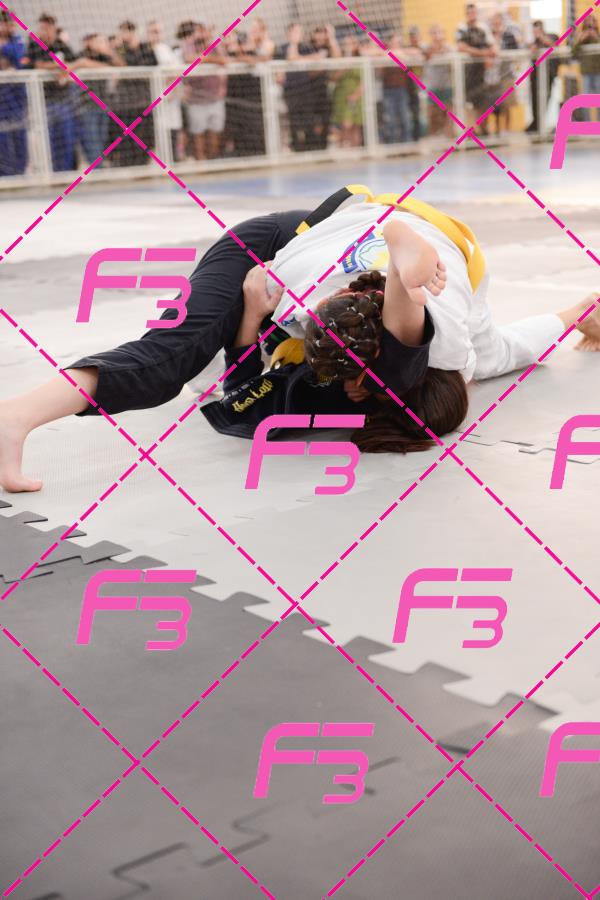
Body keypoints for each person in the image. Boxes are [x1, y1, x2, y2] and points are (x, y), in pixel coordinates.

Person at [2, 188, 600, 493]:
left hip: (304, 251)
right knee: (175, 354)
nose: (351, 392)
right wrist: (399, 248)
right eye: (364, 390)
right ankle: (18, 417)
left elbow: (515, 346)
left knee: (179, 357)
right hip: (308, 238)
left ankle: (15, 416)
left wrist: (577, 311)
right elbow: (480, 349)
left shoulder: (448, 350)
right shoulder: (455, 356)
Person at [27, 13, 78, 171]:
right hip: (44, 100)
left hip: (64, 98)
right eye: (42, 28)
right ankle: (52, 171)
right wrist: (58, 66)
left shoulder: (62, 45)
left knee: (66, 137)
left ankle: (66, 171)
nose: (45, 31)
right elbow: (37, 64)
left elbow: (72, 62)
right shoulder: (35, 45)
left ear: (54, 28)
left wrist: (65, 68)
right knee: (49, 138)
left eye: (48, 28)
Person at [108, 20, 157, 167]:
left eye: (127, 31)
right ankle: (127, 166)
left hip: (143, 101)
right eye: (122, 32)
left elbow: (150, 69)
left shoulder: (146, 48)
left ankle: (143, 165)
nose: (124, 35)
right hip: (125, 103)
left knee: (145, 137)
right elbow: (120, 66)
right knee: (126, 138)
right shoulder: (119, 50)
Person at [183, 27, 228, 160]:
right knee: (198, 133)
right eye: (199, 30)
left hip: (215, 98)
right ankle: (201, 163)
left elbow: (224, 60)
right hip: (196, 100)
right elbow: (189, 58)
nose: (202, 33)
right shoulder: (189, 44)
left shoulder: (214, 45)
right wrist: (210, 59)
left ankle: (212, 161)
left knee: (215, 132)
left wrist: (203, 58)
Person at [76, 33, 120, 165]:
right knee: (92, 138)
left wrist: (109, 51)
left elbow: (119, 65)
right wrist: (103, 67)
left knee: (102, 138)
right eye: (96, 41)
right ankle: (96, 168)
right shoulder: (82, 54)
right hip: (87, 104)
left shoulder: (104, 56)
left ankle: (99, 165)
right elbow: (82, 62)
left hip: (103, 103)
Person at [145, 20, 183, 160]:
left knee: (172, 129)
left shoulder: (165, 49)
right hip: (151, 100)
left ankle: (172, 159)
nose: (156, 35)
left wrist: (172, 88)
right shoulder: (144, 51)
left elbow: (176, 72)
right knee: (157, 131)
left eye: (158, 32)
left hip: (169, 98)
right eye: (153, 32)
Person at [456, 3, 497, 133]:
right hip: (467, 73)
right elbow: (462, 47)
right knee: (468, 103)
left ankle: (483, 130)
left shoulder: (483, 28)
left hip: (482, 73)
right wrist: (482, 53)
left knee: (483, 102)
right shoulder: (462, 28)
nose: (472, 15)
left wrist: (488, 53)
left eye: (474, 12)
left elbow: (492, 47)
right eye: (470, 13)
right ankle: (471, 130)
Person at [0, 9, 28, 176]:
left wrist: (3, 47)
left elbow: (19, 57)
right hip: (1, 97)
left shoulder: (16, 40)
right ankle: (4, 174)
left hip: (16, 96)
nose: (12, 27)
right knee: (2, 136)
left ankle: (20, 172)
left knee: (19, 134)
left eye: (13, 24)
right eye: (8, 24)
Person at [485, 11, 520, 135]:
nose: (496, 23)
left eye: (498, 20)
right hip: (491, 76)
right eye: (493, 21)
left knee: (507, 103)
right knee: (493, 104)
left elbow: (516, 52)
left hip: (507, 74)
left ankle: (506, 129)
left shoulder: (509, 36)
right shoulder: (487, 37)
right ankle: (496, 129)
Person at [379, 33, 414, 144]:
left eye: (399, 42)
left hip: (402, 89)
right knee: (390, 118)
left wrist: (399, 54)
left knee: (405, 117)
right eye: (395, 42)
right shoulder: (385, 54)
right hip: (388, 90)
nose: (397, 44)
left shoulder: (404, 53)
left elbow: (414, 53)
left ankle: (407, 142)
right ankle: (392, 143)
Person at [527, 19, 559, 133]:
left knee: (546, 98)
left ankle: (540, 124)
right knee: (534, 100)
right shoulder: (534, 42)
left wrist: (541, 38)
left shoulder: (552, 36)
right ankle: (536, 124)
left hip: (548, 75)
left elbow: (554, 45)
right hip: (535, 76)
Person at [331, 34, 363, 147]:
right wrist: (344, 66)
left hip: (357, 97)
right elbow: (333, 78)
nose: (348, 46)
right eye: (345, 44)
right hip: (342, 96)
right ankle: (345, 147)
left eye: (350, 44)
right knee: (345, 125)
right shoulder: (339, 59)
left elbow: (364, 80)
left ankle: (356, 149)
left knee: (355, 126)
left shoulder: (361, 60)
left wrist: (356, 95)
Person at [423, 24, 453, 137]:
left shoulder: (449, 48)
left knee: (448, 113)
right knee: (432, 114)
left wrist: (442, 48)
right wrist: (436, 49)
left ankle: (448, 137)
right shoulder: (427, 48)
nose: (437, 36)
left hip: (446, 86)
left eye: (439, 32)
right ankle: (434, 136)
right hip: (433, 87)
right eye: (434, 33)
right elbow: (426, 54)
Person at [573, 15, 600, 121]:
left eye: (592, 22)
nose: (590, 24)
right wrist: (580, 40)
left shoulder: (598, 36)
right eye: (588, 22)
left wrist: (596, 38)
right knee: (585, 99)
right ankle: (587, 123)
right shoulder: (581, 36)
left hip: (598, 71)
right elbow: (573, 53)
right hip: (586, 72)